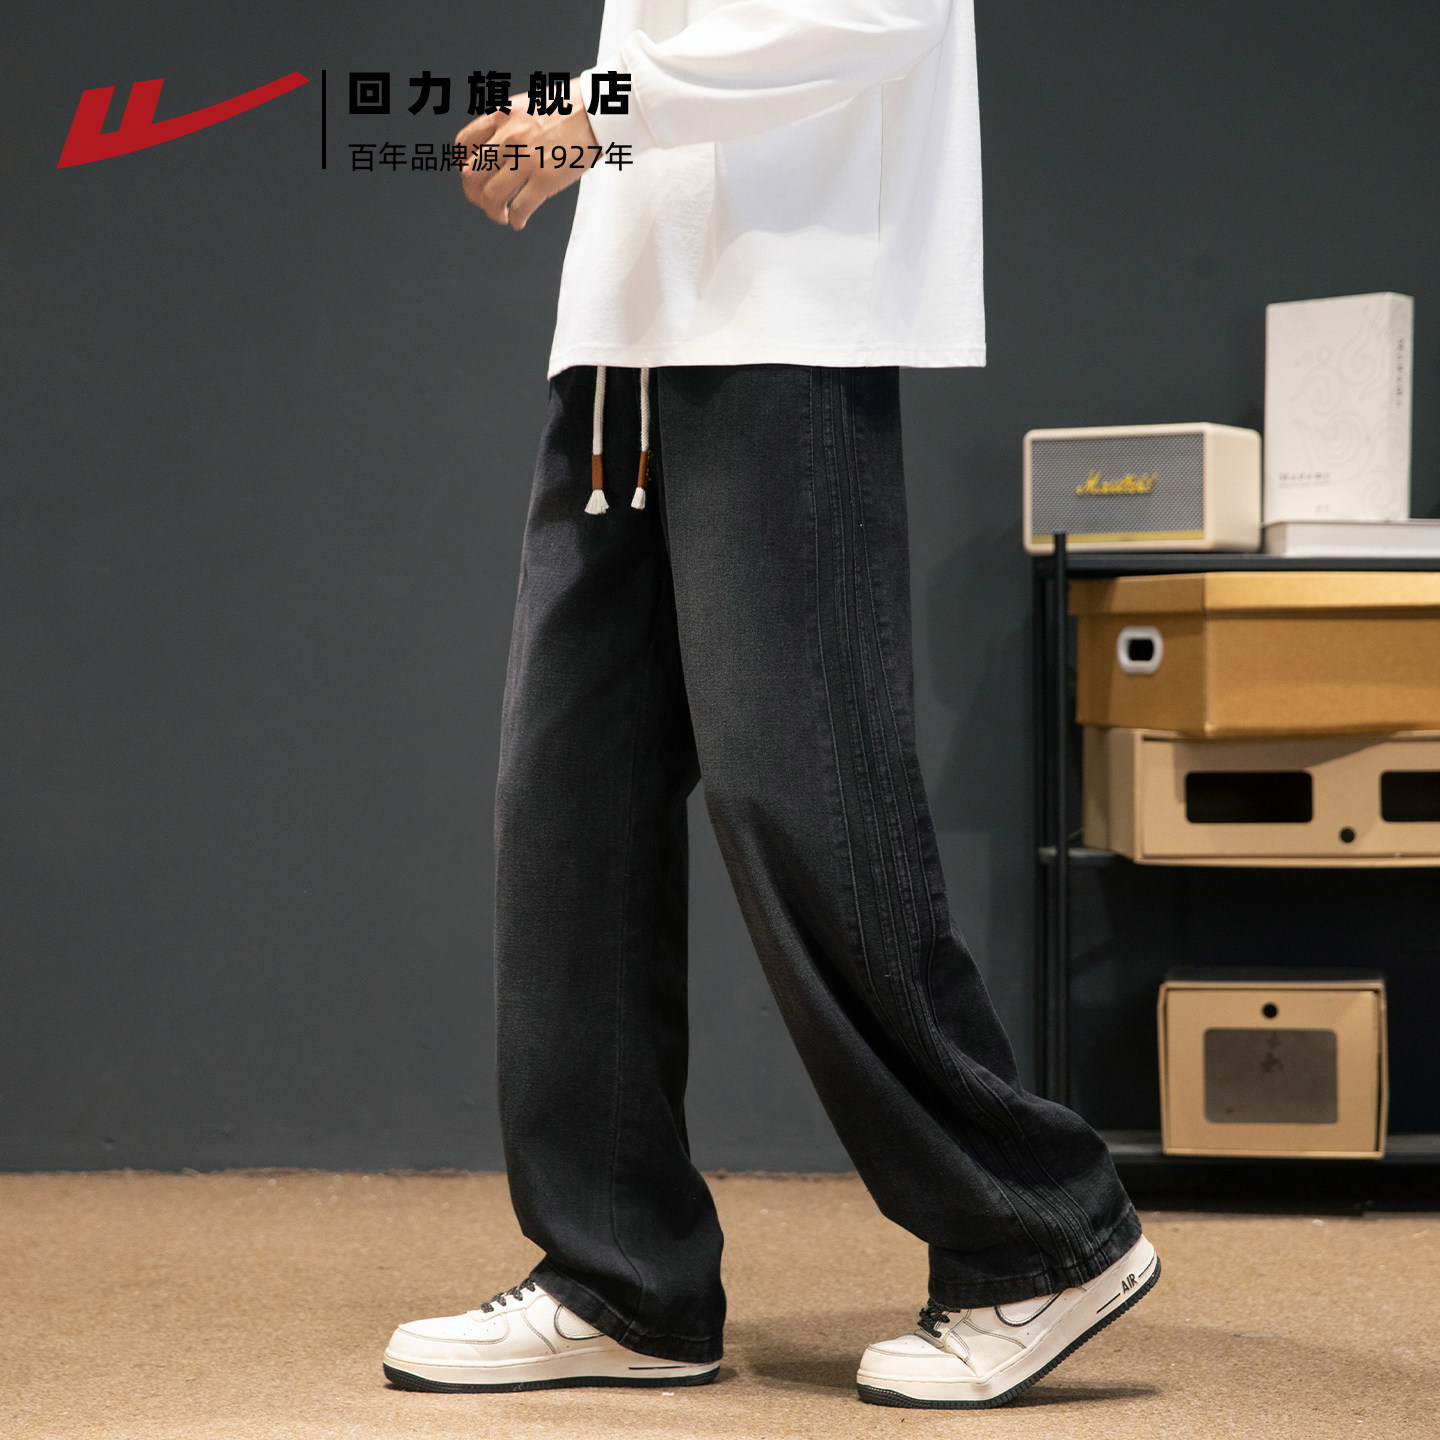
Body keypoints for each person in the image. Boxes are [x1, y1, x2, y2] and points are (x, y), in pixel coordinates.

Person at [382, 0, 1156, 1409]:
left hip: (786, 319)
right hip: (624, 337)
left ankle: (1038, 1232)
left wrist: (595, 108)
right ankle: (621, 1278)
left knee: (800, 791)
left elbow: (877, 11)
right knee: (568, 807)